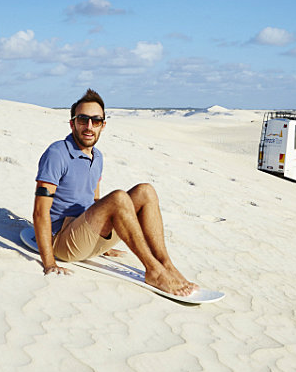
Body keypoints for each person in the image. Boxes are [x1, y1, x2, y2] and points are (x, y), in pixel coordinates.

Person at [32, 89, 197, 296]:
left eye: (96, 121)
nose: (89, 126)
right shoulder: (57, 153)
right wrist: (49, 263)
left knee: (146, 191)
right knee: (119, 198)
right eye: (83, 120)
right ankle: (154, 271)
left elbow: (94, 201)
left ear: (103, 125)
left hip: (86, 233)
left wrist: (102, 243)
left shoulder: (97, 157)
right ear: (72, 123)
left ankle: (166, 264)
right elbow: (39, 212)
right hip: (62, 240)